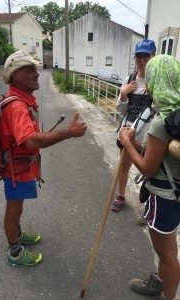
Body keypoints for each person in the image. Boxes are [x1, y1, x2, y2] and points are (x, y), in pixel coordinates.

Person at [0, 50, 87, 267]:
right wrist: (69, 133)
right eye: (29, 70)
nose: (36, 74)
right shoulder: (17, 105)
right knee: (14, 207)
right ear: (15, 76)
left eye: (35, 69)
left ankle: (17, 235)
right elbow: (30, 141)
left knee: (17, 205)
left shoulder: (22, 98)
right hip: (15, 169)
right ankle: (15, 252)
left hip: (20, 166)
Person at [119, 54, 180, 300]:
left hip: (164, 196)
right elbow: (161, 156)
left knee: (166, 253)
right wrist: (137, 144)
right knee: (169, 250)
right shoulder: (177, 112)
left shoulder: (161, 121)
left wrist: (126, 142)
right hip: (176, 193)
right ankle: (158, 282)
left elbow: (146, 168)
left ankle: (166, 294)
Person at [111, 39, 156, 212]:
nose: (142, 60)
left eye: (146, 56)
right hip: (126, 133)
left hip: (148, 136)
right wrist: (124, 93)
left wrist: (154, 96)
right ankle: (121, 195)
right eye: (139, 56)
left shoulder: (157, 81)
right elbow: (121, 110)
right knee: (124, 166)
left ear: (153, 56)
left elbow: (162, 111)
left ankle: (150, 205)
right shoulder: (128, 80)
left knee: (150, 171)